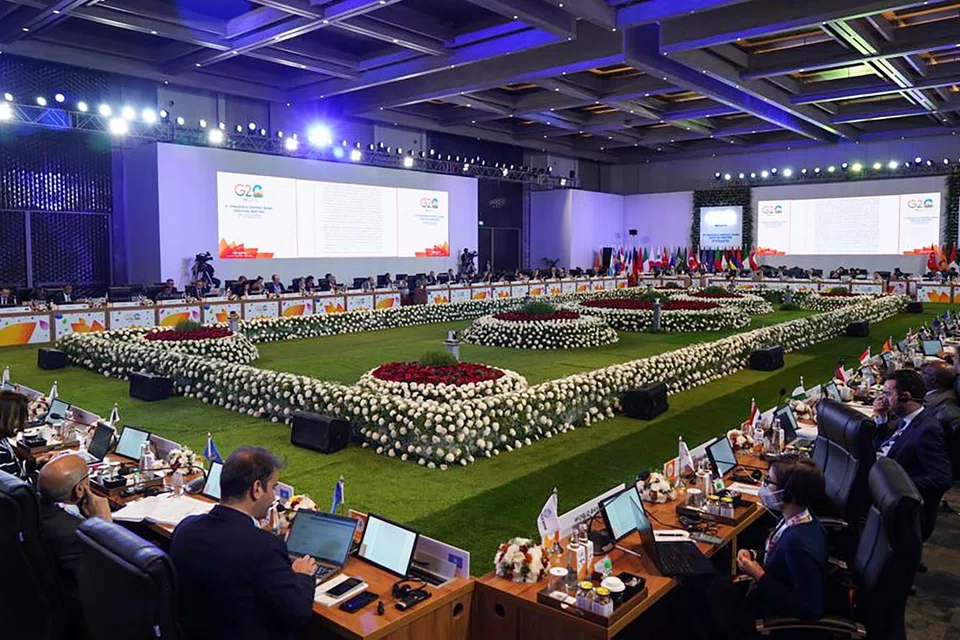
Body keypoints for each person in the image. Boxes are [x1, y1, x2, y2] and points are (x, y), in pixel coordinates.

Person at [171, 447, 317, 640]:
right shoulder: (264, 547)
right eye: (273, 487)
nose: (274, 497)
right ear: (257, 489)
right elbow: (298, 614)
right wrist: (303, 576)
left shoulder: (185, 529)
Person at [702, 459, 827, 639]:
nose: (764, 486)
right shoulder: (798, 518)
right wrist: (754, 555)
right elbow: (780, 557)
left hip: (769, 616)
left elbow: (810, 608)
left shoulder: (797, 545)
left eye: (769, 481)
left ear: (788, 493)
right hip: (766, 588)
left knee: (702, 597)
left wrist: (758, 574)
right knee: (711, 586)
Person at [872, 369, 953, 540]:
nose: (882, 398)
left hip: (898, 508)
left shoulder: (927, 430)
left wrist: (893, 484)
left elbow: (942, 479)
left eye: (887, 394)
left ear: (904, 397)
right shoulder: (908, 419)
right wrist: (881, 417)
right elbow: (886, 446)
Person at [37, 453, 113, 621]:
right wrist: (105, 525)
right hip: (80, 616)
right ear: (79, 489)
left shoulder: (34, 511)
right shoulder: (74, 535)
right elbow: (111, 574)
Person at [920, 361, 960, 480]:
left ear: (933, 380)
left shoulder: (944, 407)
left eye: (924, 373)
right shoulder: (943, 395)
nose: (920, 375)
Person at [0, 390, 30, 480]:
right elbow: (20, 484)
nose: (27, 420)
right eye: (24, 416)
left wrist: (36, 462)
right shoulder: (2, 452)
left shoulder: (3, 440)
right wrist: (46, 471)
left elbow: (12, 469)